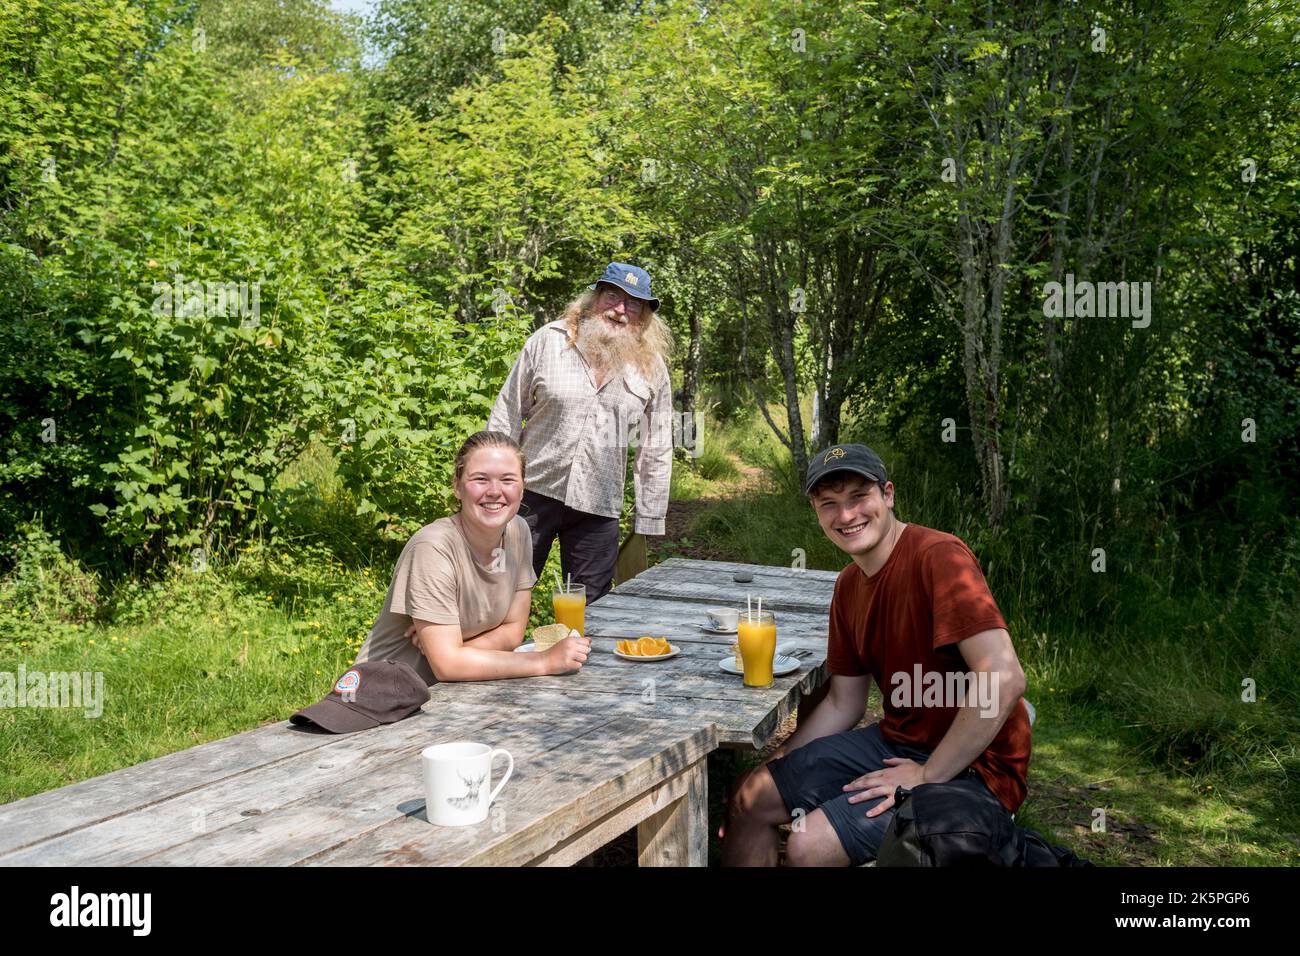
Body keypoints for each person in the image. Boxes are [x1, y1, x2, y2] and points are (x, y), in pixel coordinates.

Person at [720, 443, 1033, 866]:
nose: (845, 516)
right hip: (897, 742)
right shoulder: (848, 587)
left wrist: (925, 776)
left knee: (807, 844)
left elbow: (1004, 676)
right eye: (829, 504)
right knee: (749, 798)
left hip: (979, 767)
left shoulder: (937, 557)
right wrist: (773, 764)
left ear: (888, 494)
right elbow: (841, 703)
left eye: (857, 497)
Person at [488, 262, 673, 602]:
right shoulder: (548, 341)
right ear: (594, 297)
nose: (620, 310)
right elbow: (507, 415)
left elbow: (657, 444)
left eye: (633, 303)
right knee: (501, 595)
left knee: (592, 609)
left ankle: (574, 656)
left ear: (644, 315)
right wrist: (493, 487)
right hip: (532, 494)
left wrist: (648, 517)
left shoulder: (652, 368)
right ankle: (492, 655)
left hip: (599, 505)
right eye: (612, 296)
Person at [353, 431, 590, 683]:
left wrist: (459, 651)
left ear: (523, 489)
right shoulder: (433, 548)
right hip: (384, 695)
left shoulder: (518, 531)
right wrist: (544, 660)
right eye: (480, 479)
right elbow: (448, 667)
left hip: (453, 694)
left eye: (508, 480)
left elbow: (513, 631)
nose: (494, 491)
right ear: (457, 486)